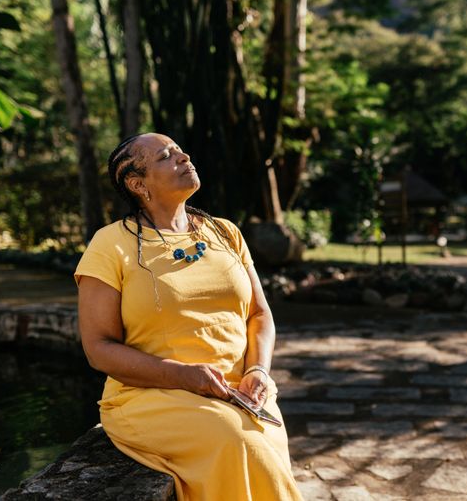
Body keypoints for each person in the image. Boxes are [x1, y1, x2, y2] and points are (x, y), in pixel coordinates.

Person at [74, 133, 302, 501]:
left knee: (259, 440)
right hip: (152, 395)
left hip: (239, 392)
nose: (184, 156)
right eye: (166, 155)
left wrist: (258, 370)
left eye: (180, 148)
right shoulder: (110, 244)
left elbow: (260, 314)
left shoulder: (225, 233)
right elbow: (98, 348)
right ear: (137, 184)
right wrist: (183, 375)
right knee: (237, 440)